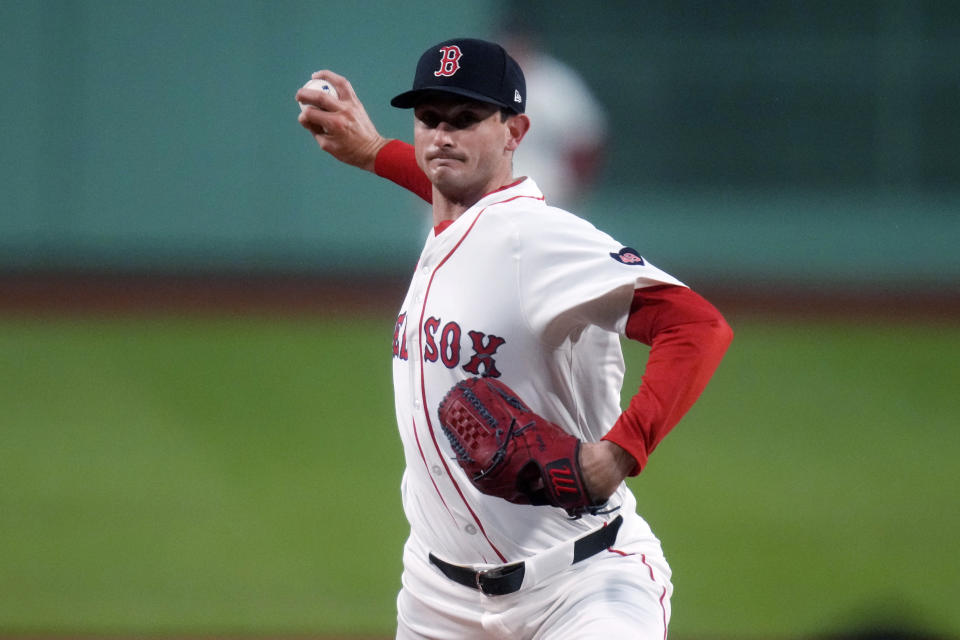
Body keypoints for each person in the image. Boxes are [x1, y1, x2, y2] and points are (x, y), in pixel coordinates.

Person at [296, 38, 733, 639]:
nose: (442, 135)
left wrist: (620, 451)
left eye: (467, 119)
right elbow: (451, 189)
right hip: (435, 599)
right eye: (430, 118)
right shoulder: (457, 221)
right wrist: (373, 150)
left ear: (514, 131)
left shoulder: (537, 239)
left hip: (582, 589)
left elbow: (697, 325)